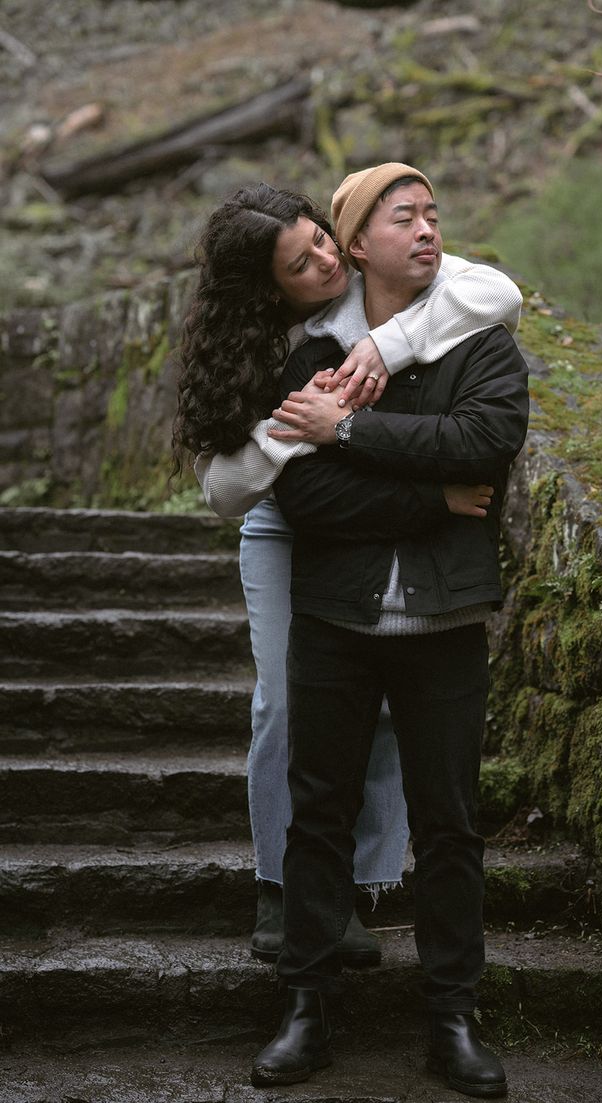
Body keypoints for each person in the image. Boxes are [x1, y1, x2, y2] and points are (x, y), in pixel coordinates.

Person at [172, 181, 523, 970]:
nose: (328, 258)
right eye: (304, 261)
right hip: (290, 517)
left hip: (376, 491)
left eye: (325, 238)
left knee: (391, 705)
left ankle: (359, 888)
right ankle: (281, 888)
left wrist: (384, 348)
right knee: (287, 699)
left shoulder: (388, 283)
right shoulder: (258, 346)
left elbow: (498, 291)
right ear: (270, 288)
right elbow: (227, 490)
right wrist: (303, 423)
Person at [250, 164, 529, 1098]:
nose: (426, 229)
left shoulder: (481, 337)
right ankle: (306, 1006)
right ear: (356, 244)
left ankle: (453, 1018)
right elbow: (307, 493)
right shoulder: (312, 351)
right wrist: (433, 497)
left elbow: (484, 444)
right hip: (336, 615)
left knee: (449, 824)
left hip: (446, 616)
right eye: (401, 217)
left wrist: (354, 434)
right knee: (317, 811)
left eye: (433, 214)